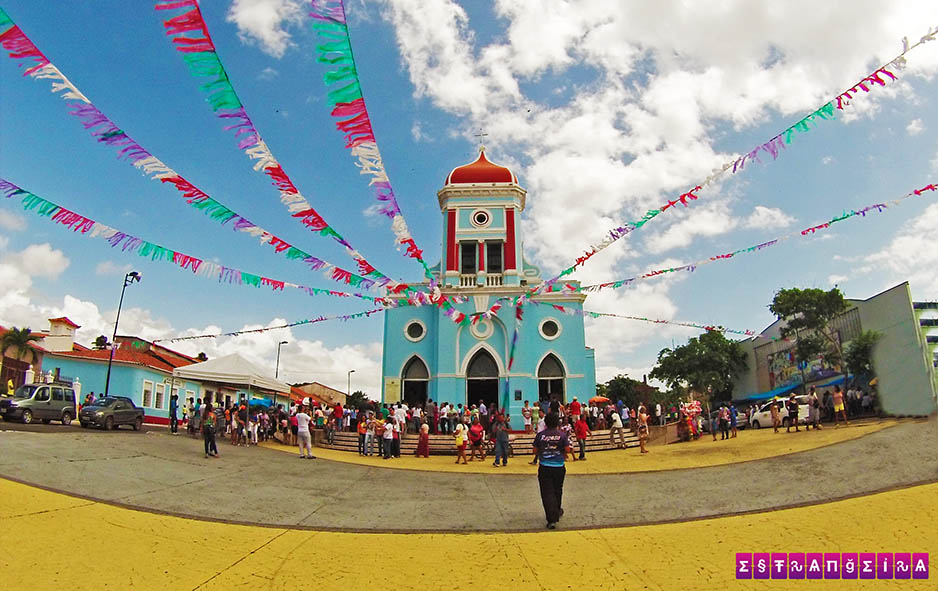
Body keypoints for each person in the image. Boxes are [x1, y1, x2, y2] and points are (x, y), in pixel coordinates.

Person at [533, 413, 571, 529]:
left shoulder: (540, 435)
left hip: (545, 467)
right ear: (557, 423)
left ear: (545, 423)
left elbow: (535, 451)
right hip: (559, 466)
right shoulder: (562, 435)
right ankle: (557, 510)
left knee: (547, 493)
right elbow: (567, 450)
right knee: (557, 490)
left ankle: (551, 519)